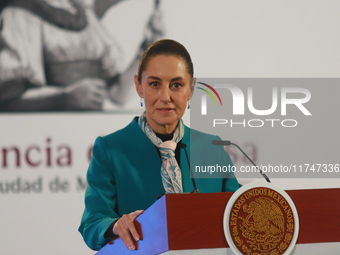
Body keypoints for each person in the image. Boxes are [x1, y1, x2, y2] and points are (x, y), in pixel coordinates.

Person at [78, 39, 240, 251]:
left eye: (177, 85)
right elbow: (92, 224)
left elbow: (239, 212)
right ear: (138, 86)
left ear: (191, 88)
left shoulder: (212, 148)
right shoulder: (111, 149)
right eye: (155, 84)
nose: (166, 97)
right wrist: (115, 225)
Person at [0, 0, 162, 111]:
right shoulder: (19, 14)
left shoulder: (84, 13)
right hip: (47, 144)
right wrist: (65, 98)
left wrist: (147, 49)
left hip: (87, 137)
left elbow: (117, 94)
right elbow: (9, 99)